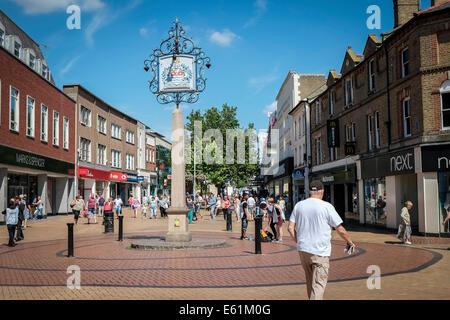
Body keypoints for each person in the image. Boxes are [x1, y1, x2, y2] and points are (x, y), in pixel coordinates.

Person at [288, 180, 356, 300]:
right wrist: (350, 242)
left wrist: (299, 242)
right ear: (322, 191)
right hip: (319, 251)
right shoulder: (326, 206)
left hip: (303, 250)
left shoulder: (299, 205)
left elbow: (290, 228)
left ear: (310, 192)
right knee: (318, 285)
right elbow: (340, 229)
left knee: (310, 282)